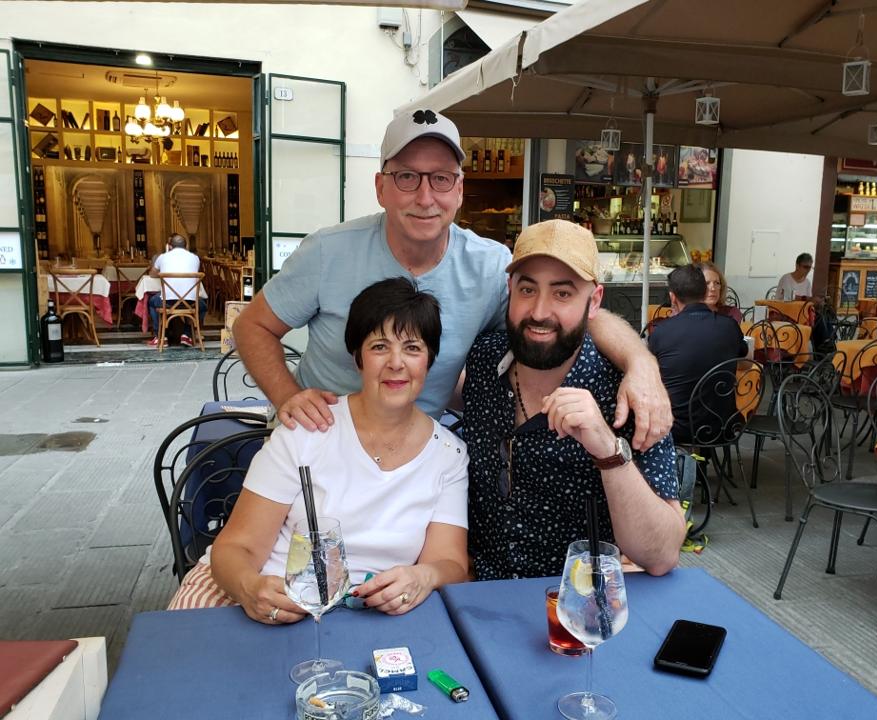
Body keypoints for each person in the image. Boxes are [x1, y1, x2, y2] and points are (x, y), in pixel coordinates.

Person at [233, 109, 672, 451]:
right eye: (407, 177)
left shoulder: (488, 265)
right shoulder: (328, 252)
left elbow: (562, 314)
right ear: (381, 186)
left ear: (459, 190)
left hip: (417, 451)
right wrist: (288, 396)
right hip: (318, 440)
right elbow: (251, 326)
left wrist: (641, 364)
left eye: (441, 178)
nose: (426, 197)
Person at [168, 278, 469, 623]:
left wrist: (423, 576)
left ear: (429, 361)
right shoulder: (308, 429)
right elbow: (236, 547)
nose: (396, 363)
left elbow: (450, 563)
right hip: (265, 597)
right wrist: (250, 587)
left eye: (413, 348)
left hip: (365, 613)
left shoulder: (447, 455)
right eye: (380, 347)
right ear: (358, 358)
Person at [462, 220, 686, 581]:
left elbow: (662, 554)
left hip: (577, 607)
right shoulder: (484, 363)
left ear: (594, 301)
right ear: (510, 290)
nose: (539, 311)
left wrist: (607, 449)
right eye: (527, 290)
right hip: (478, 599)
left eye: (562, 294)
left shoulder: (630, 396)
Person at [647, 264, 747, 444]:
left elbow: (650, 374)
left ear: (672, 297)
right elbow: (743, 355)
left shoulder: (662, 332)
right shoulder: (730, 327)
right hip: (724, 426)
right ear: (704, 292)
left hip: (677, 429)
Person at [147, 233, 206, 347]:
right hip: (190, 302)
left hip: (167, 302)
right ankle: (187, 334)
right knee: (203, 305)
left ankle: (160, 337)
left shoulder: (163, 257)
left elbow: (153, 274)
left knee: (151, 301)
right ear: (186, 246)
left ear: (170, 246)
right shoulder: (195, 258)